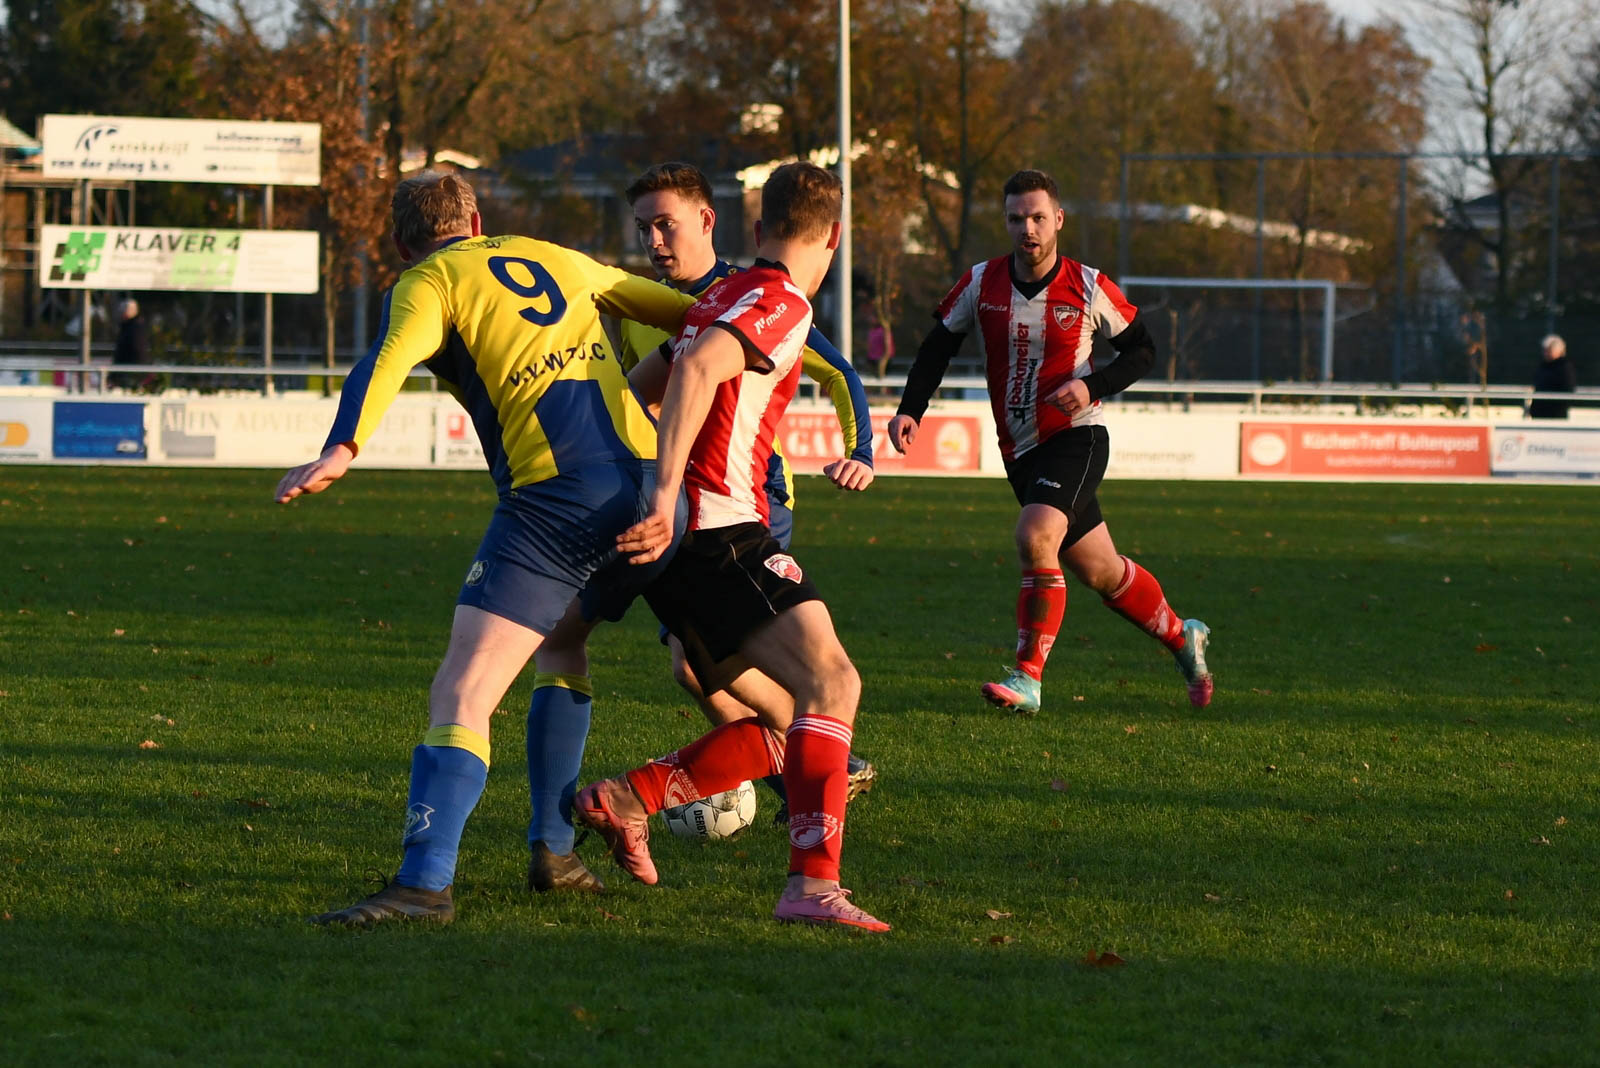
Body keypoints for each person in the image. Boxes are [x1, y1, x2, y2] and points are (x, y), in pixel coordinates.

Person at [274, 170, 695, 927]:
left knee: (463, 690)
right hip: (660, 496)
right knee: (563, 643)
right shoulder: (553, 255)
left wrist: (342, 447)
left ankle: (422, 885)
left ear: (401, 244)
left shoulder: (428, 281)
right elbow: (691, 312)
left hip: (560, 502)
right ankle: (555, 852)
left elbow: (386, 360)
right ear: (476, 221)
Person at [576, 161, 890, 932]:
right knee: (834, 685)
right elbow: (694, 368)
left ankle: (628, 798)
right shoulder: (780, 300)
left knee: (791, 723)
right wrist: (664, 494)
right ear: (835, 237)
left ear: (755, 227)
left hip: (691, 539)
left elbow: (639, 389)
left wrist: (648, 488)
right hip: (720, 533)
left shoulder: (720, 295)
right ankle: (811, 887)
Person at [888, 169, 1214, 716]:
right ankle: (1185, 638)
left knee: (1035, 534)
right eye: (1017, 219)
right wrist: (910, 409)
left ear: (1058, 219)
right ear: (1006, 222)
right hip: (1020, 451)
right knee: (1100, 570)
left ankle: (1028, 677)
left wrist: (1091, 385)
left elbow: (1142, 351)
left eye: (1038, 217)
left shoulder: (1087, 285)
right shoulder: (981, 283)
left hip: (1077, 436)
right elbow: (936, 347)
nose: (1028, 229)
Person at [1529, 334, 1577, 419]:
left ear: (1558, 351)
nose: (1545, 353)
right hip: (1539, 414)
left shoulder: (1565, 368)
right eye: (1544, 350)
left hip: (1556, 415)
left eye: (1548, 350)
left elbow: (1568, 390)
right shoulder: (1543, 366)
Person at [111, 299, 151, 391]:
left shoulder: (135, 328)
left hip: (130, 372)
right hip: (127, 371)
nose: (120, 314)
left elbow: (138, 350)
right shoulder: (129, 326)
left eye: (122, 311)